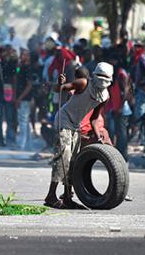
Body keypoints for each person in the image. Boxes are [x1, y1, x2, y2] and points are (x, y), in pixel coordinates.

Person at [44, 62, 113, 209]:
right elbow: (58, 90)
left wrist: (98, 137)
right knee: (63, 157)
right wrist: (60, 83)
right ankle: (51, 196)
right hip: (64, 119)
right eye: (100, 77)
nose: (102, 82)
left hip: (76, 125)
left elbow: (94, 118)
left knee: (75, 161)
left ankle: (68, 197)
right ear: (94, 76)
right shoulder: (83, 83)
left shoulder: (105, 96)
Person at [0, 46, 17, 146]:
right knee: (3, 118)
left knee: (5, 118)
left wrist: (14, 95)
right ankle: (2, 139)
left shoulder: (11, 66)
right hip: (3, 94)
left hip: (5, 94)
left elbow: (14, 80)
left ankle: (4, 139)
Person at [15, 48, 33, 150]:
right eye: (21, 55)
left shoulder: (27, 69)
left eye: (24, 55)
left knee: (22, 121)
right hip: (22, 97)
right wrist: (18, 67)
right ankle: (28, 144)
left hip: (25, 98)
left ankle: (21, 145)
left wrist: (20, 98)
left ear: (28, 57)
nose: (21, 57)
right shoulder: (21, 67)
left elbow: (29, 85)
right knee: (25, 121)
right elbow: (17, 73)